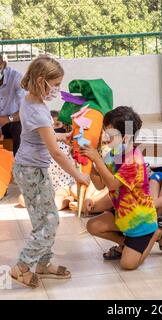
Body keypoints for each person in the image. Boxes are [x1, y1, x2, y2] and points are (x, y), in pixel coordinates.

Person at [10, 56, 90, 289]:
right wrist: (78, 175)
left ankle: (43, 264)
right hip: (33, 171)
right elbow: (56, 153)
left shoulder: (31, 101)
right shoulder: (36, 109)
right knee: (50, 221)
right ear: (41, 80)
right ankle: (22, 267)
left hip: (28, 167)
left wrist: (60, 135)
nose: (58, 90)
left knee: (42, 219)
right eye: (55, 85)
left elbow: (40, 135)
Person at [81, 106, 162, 270]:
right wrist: (90, 164)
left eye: (109, 134)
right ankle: (126, 244)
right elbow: (100, 184)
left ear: (125, 137)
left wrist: (96, 159)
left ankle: (158, 231)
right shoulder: (112, 154)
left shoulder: (133, 160)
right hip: (123, 217)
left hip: (141, 222)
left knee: (128, 265)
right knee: (92, 226)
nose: (104, 137)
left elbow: (112, 184)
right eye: (105, 131)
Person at [0, 54, 26, 155]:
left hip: (12, 121)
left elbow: (25, 109)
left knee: (19, 127)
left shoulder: (16, 77)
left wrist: (7, 119)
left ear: (3, 64)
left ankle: (19, 165)